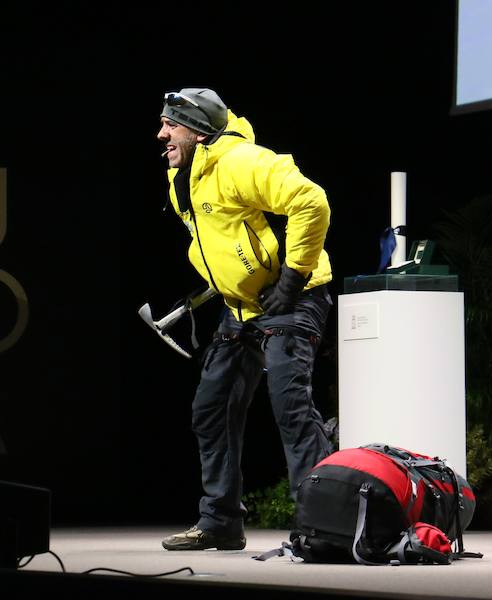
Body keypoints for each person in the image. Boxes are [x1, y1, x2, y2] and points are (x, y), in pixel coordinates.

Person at [156, 88, 334, 551]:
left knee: (290, 408)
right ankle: (220, 521)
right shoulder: (186, 177)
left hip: (295, 299)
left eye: (170, 125)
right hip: (243, 310)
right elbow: (228, 237)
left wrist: (293, 277)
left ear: (195, 130)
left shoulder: (241, 161)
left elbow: (311, 202)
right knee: (211, 408)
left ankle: (323, 527)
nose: (161, 134)